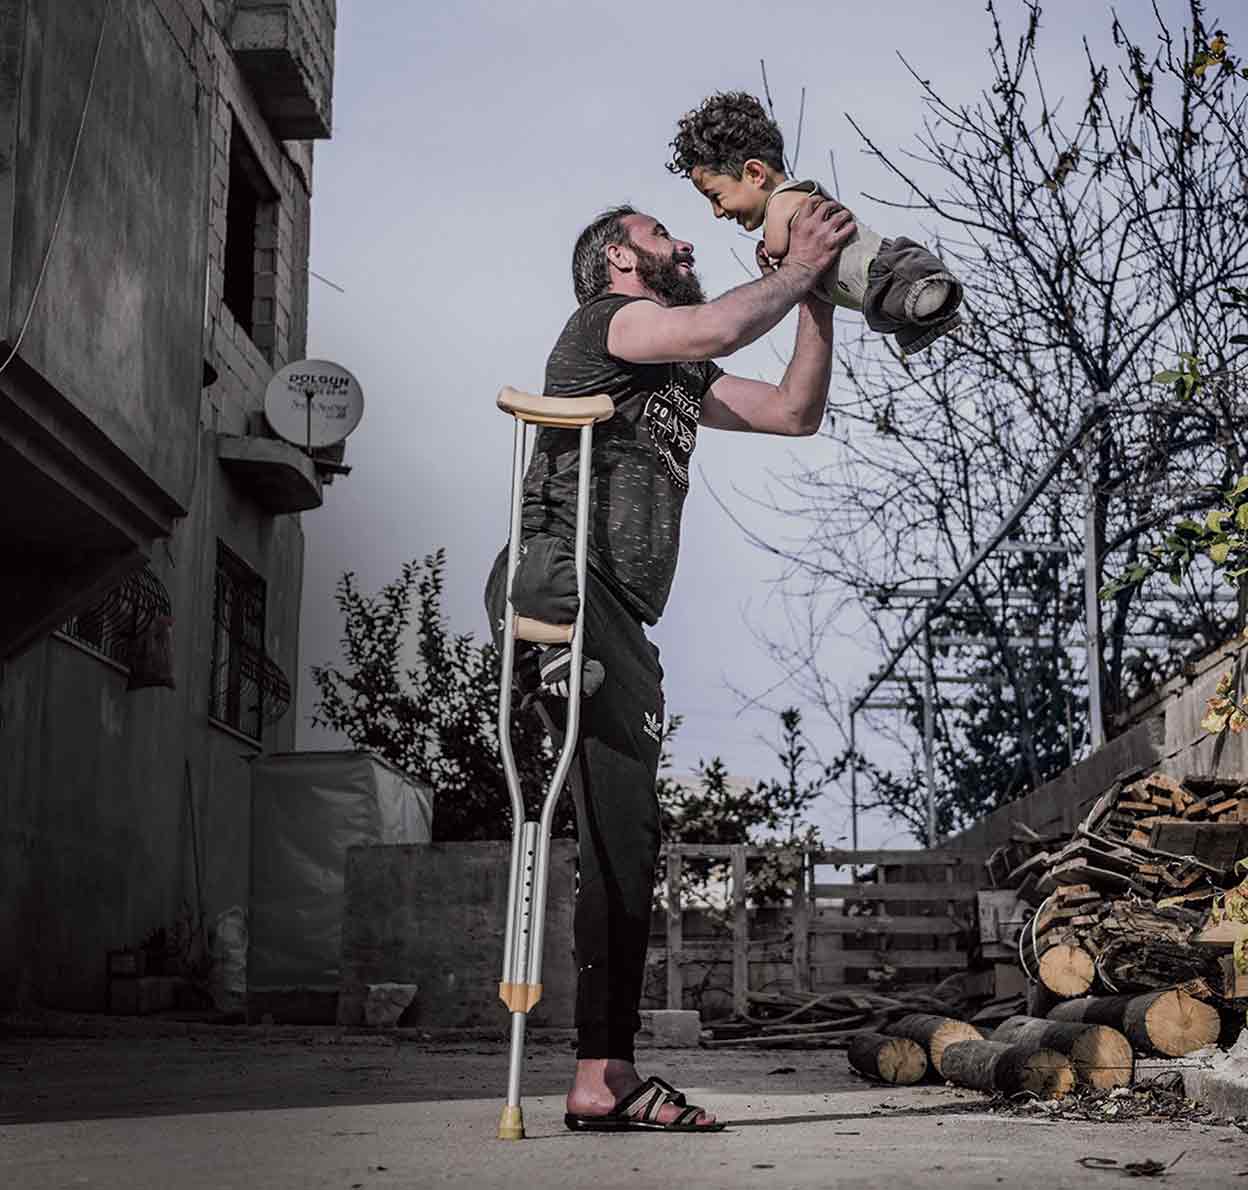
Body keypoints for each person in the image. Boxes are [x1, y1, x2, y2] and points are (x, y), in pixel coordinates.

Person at [485, 196, 852, 1132]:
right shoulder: (609, 322)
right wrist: (797, 266)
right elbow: (724, 321)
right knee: (614, 830)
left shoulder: (680, 370)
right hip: (567, 576)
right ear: (619, 258)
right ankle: (601, 1076)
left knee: (627, 836)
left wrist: (818, 299)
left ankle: (601, 1077)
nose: (683, 241)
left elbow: (794, 412)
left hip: (623, 619)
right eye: (660, 235)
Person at [667, 91, 964, 356]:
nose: (717, 212)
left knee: (907, 291)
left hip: (883, 270)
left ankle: (929, 296)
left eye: (716, 197)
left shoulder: (784, 200)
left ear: (755, 173)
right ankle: (933, 312)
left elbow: (776, 247)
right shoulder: (794, 203)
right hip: (874, 289)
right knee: (905, 310)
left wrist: (773, 260)